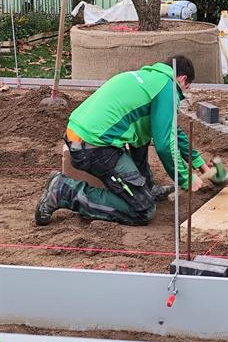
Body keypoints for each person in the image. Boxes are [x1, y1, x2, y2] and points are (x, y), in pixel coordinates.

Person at [35, 55, 211, 226]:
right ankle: (64, 191)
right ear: (182, 79)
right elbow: (165, 144)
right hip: (93, 147)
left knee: (141, 142)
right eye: (187, 87)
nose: (184, 92)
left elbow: (171, 129)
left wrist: (199, 162)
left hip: (80, 136)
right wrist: (185, 179)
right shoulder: (167, 88)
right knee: (143, 210)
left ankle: (145, 188)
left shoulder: (149, 80)